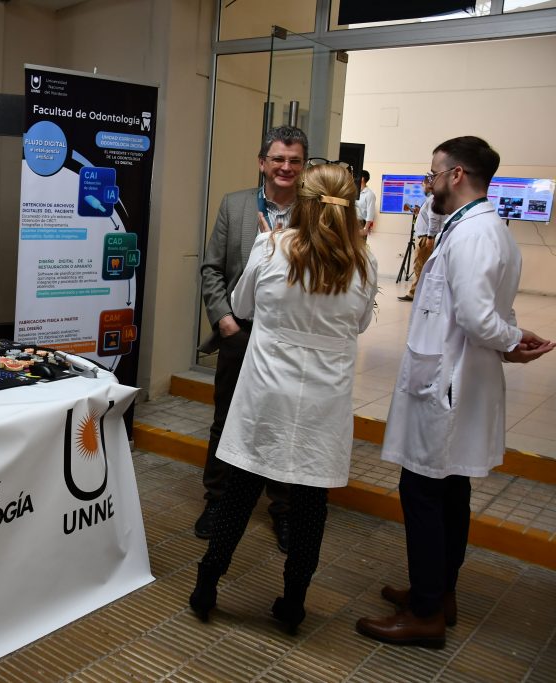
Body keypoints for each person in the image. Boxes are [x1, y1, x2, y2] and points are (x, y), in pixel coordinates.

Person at [356, 136, 555, 649]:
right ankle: (438, 593)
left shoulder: (473, 233)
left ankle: (425, 613)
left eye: (434, 174)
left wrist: (510, 338)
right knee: (448, 493)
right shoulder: (482, 228)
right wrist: (510, 340)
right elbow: (490, 310)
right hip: (453, 375)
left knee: (423, 493)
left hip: (447, 384)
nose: (429, 183)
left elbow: (477, 316)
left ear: (457, 175)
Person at [190, 163, 378, 634]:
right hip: (323, 403)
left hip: (266, 395)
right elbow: (359, 324)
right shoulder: (363, 262)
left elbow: (243, 307)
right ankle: (293, 604)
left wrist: (268, 244)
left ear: (303, 205)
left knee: (239, 493)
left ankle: (207, 586)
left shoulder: (272, 246)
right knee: (311, 505)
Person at [196, 126, 308, 550]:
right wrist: (223, 319)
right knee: (227, 418)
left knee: (286, 423)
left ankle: (285, 510)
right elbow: (212, 268)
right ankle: (217, 501)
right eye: (278, 158)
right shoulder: (236, 204)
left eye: (294, 160)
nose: (285, 167)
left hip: (291, 338)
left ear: (303, 167)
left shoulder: (314, 212)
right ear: (262, 162)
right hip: (241, 333)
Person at [398, 182, 445, 302]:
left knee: (420, 267)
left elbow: (434, 219)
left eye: (423, 185)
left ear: (430, 185)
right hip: (425, 237)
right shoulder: (432, 199)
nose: (422, 187)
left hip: (425, 238)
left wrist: (430, 236)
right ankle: (418, 293)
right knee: (421, 266)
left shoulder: (433, 199)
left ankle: (414, 294)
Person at [356, 170, 377, 237]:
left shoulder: (369, 194)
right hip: (352, 221)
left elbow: (370, 213)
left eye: (356, 177)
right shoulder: (355, 192)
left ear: (362, 179)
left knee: (359, 243)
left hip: (361, 223)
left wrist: (365, 229)